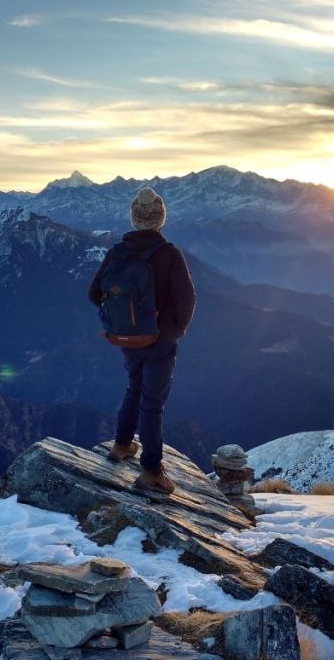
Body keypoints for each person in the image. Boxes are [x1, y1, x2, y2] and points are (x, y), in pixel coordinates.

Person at [88, 186, 196, 494]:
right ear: (161, 218)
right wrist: (172, 331)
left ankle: (122, 445)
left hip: (126, 338)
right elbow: (187, 300)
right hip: (159, 341)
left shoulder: (117, 252)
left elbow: (94, 293)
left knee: (134, 386)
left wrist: (119, 320)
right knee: (153, 403)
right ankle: (151, 471)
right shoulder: (170, 254)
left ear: (134, 219)